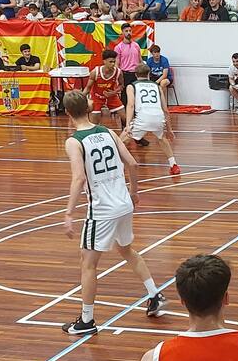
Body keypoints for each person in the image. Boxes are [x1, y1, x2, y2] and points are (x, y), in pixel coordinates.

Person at [59, 90, 165, 335]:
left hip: (102, 210)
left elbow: (78, 178)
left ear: (67, 113)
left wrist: (68, 213)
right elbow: (133, 163)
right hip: (124, 203)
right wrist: (135, 192)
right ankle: (154, 295)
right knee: (126, 249)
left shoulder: (74, 141)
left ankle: (87, 321)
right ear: (88, 108)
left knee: (87, 263)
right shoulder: (107, 132)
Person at [122, 64, 180, 175]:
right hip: (158, 117)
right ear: (149, 74)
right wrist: (169, 129)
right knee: (162, 138)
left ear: (135, 74)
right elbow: (165, 110)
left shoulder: (132, 86)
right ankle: (174, 165)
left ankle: (115, 166)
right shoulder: (157, 86)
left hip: (142, 118)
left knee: (121, 141)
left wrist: (128, 125)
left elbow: (130, 105)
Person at [88, 49, 126, 129]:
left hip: (111, 96)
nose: (113, 64)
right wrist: (80, 98)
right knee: (94, 123)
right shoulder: (95, 72)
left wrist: (114, 92)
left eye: (114, 62)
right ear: (104, 61)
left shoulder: (118, 72)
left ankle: (134, 136)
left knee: (126, 118)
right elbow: (87, 88)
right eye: (110, 62)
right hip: (97, 97)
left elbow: (122, 85)